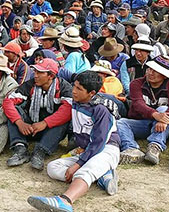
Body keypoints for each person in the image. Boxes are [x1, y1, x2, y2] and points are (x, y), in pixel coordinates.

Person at [27, 71, 120, 211]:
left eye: (79, 89)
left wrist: (78, 164)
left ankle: (66, 200)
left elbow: (98, 143)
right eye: (74, 86)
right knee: (53, 168)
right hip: (86, 150)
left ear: (92, 93)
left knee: (84, 172)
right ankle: (102, 174)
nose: (74, 91)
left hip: (106, 149)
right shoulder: (76, 102)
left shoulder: (101, 110)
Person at [3, 58, 72, 170]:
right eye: (35, 71)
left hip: (49, 130)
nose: (35, 75)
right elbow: (8, 101)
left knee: (63, 120)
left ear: (50, 75)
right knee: (16, 110)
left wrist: (45, 123)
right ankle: (20, 148)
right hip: (29, 127)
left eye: (39, 72)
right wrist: (19, 122)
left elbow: (68, 110)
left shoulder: (64, 87)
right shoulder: (30, 85)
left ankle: (40, 151)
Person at [117, 56, 169, 165]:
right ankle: (132, 148)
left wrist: (163, 119)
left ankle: (155, 146)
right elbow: (138, 104)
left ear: (164, 76)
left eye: (156, 71)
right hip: (143, 122)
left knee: (163, 109)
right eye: (150, 69)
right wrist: (155, 114)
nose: (151, 73)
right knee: (120, 123)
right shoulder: (136, 83)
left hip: (164, 126)